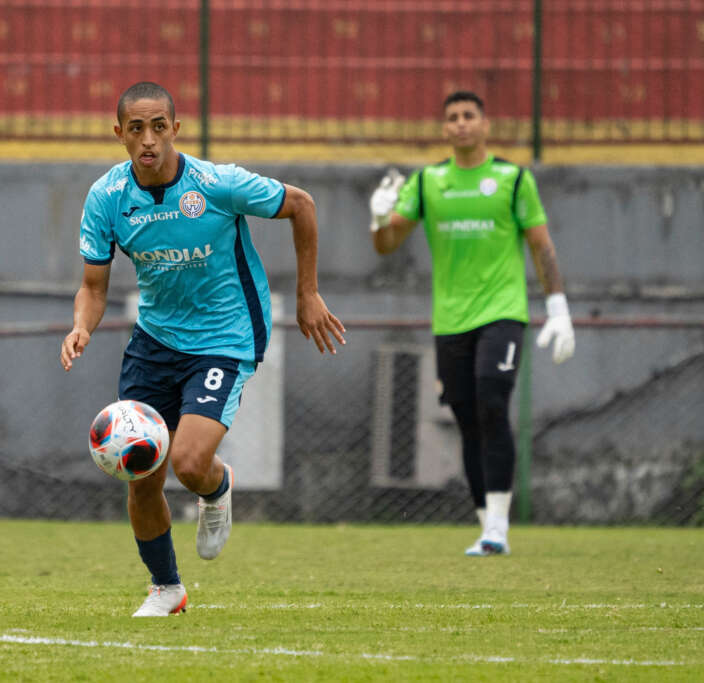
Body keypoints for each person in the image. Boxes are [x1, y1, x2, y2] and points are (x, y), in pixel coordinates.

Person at [60, 82, 346, 616]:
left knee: (190, 462)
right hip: (155, 340)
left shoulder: (218, 183)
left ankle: (216, 489)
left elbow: (302, 205)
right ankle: (166, 587)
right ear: (118, 133)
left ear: (176, 127)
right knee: (141, 471)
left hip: (225, 337)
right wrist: (82, 326)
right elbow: (94, 287)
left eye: (159, 127)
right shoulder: (107, 198)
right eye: (137, 129)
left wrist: (308, 294)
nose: (149, 140)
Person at [369, 90, 574, 557]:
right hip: (451, 319)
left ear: (485, 124)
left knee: (491, 396)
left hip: (502, 311)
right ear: (444, 129)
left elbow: (542, 246)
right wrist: (379, 215)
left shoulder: (512, 179)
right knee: (466, 414)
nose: (460, 124)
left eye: (468, 116)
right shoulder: (428, 182)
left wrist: (558, 308)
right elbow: (386, 244)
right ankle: (487, 527)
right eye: (452, 118)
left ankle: (499, 524)